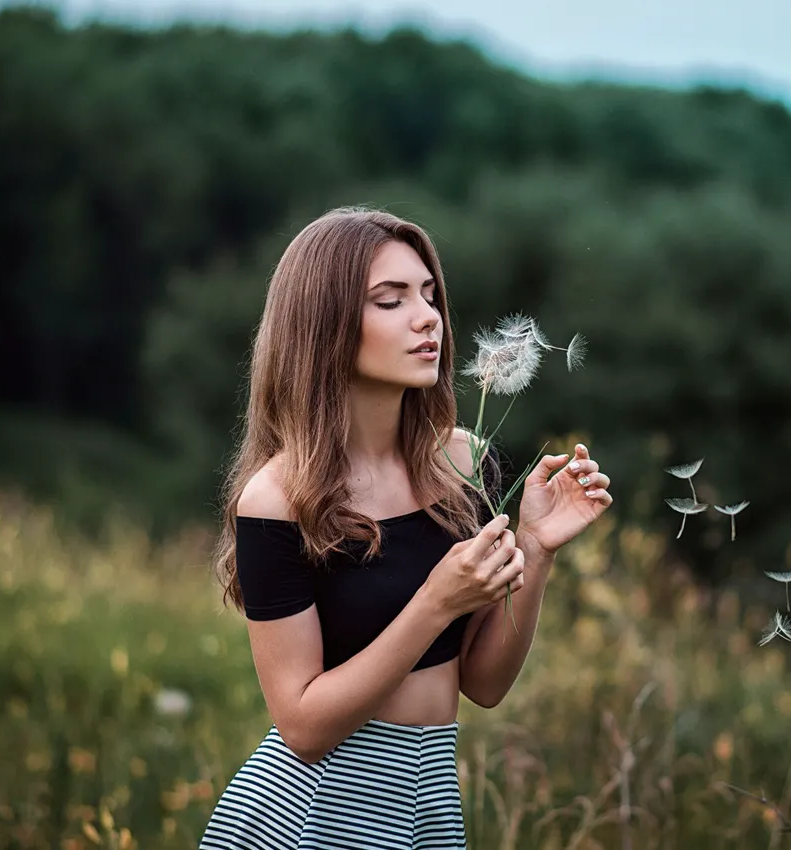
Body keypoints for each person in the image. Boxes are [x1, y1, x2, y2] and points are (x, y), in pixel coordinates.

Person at [197, 207, 613, 849]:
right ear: (323, 327)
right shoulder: (278, 499)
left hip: (431, 804)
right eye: (390, 301)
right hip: (315, 814)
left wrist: (535, 546)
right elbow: (303, 727)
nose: (428, 318)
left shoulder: (463, 462)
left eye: (429, 295)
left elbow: (483, 683)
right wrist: (436, 601)